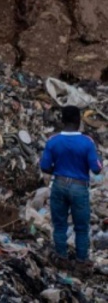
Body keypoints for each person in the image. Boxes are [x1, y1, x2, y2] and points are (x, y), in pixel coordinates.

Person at [40, 105, 103, 272]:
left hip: (59, 184)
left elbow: (45, 166)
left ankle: (62, 259)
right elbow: (96, 169)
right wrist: (100, 159)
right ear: (79, 121)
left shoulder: (52, 141)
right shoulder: (87, 142)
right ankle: (81, 262)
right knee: (81, 227)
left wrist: (58, 171)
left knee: (60, 224)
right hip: (79, 187)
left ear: (62, 120)